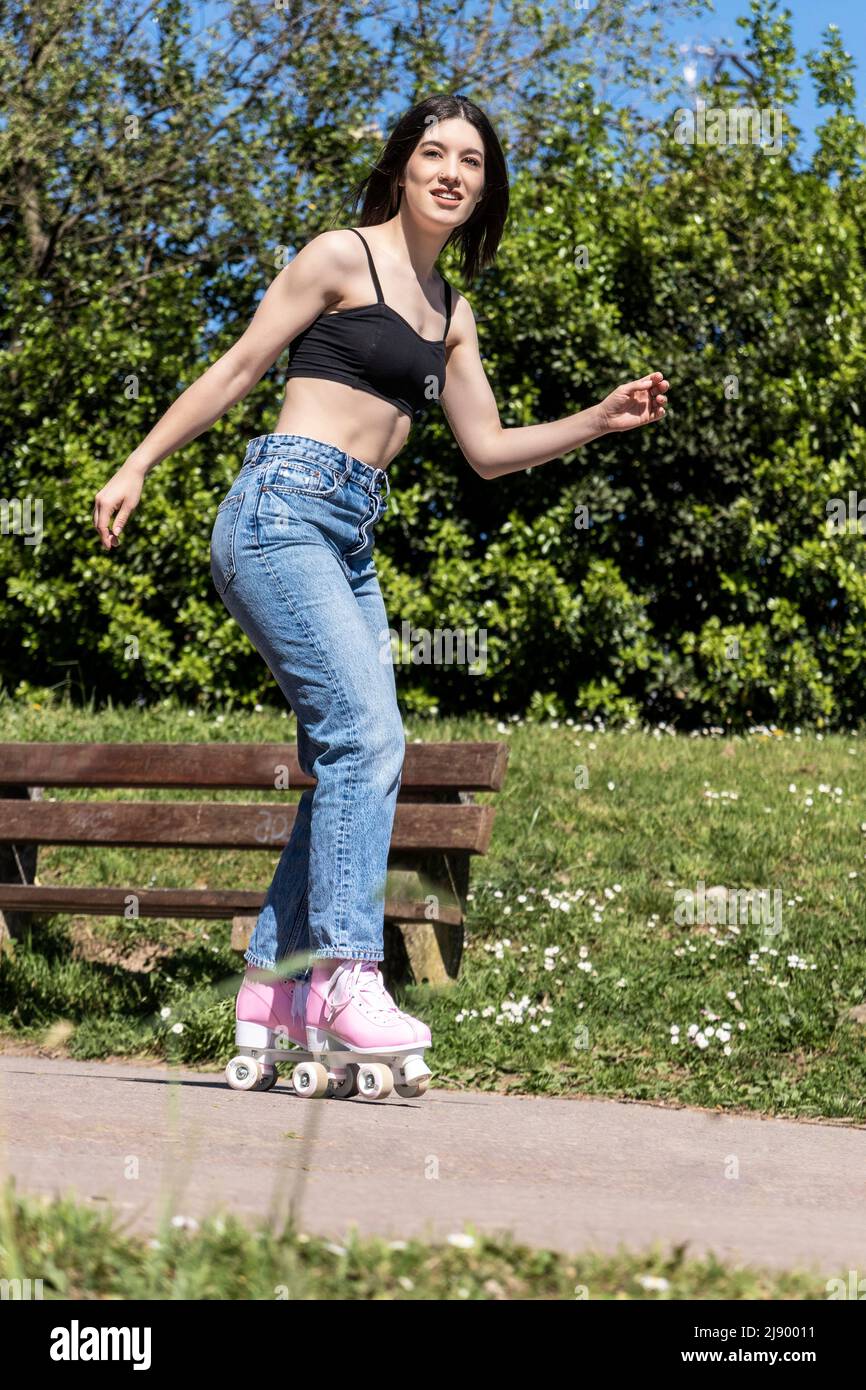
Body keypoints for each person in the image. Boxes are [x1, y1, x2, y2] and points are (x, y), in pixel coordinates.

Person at [92, 92, 669, 1086]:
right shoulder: (337, 256)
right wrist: (139, 461)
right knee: (371, 740)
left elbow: (485, 450)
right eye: (433, 153)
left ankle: (276, 982)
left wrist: (595, 418)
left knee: (358, 758)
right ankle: (348, 974)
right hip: (279, 510)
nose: (451, 171)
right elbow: (239, 366)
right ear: (402, 168)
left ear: (485, 189)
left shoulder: (451, 315)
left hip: (348, 534)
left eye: (471, 162)